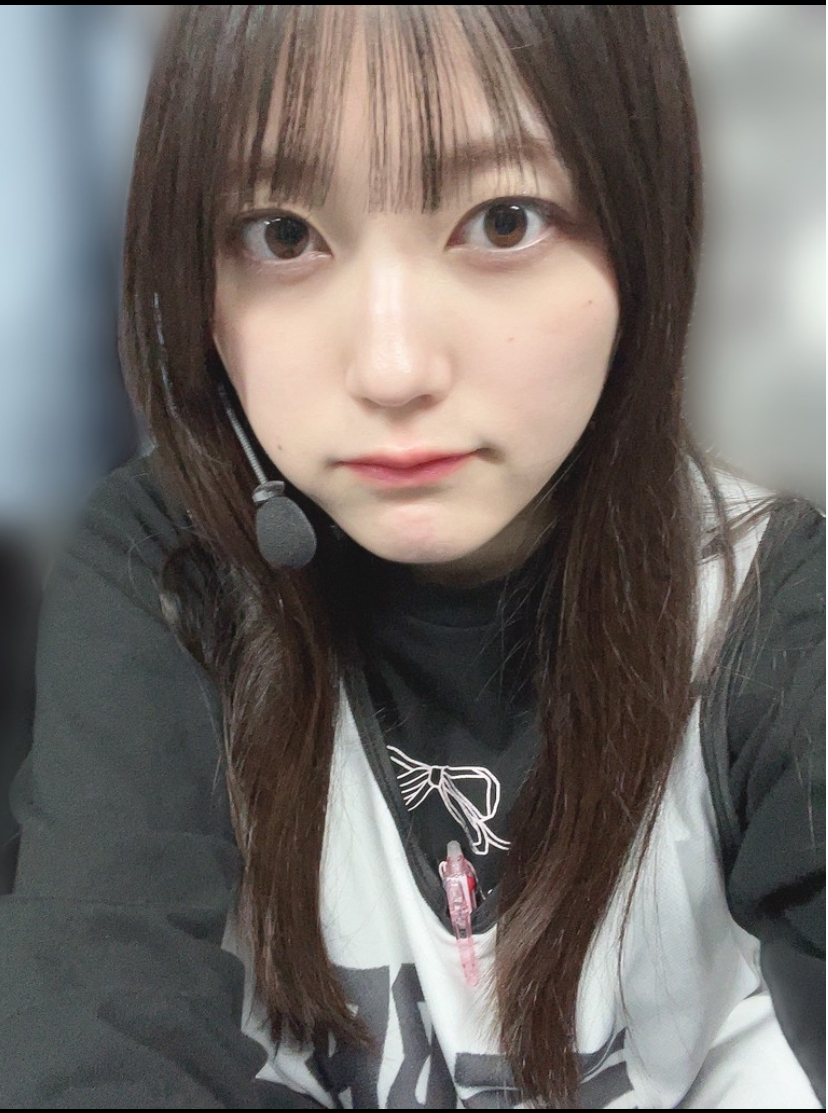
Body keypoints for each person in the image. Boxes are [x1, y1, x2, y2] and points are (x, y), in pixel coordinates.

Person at [0, 6, 823, 1108]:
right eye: (283, 235)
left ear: (643, 227)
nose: (392, 369)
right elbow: (93, 1022)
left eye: (502, 220)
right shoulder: (172, 578)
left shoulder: (772, 615)